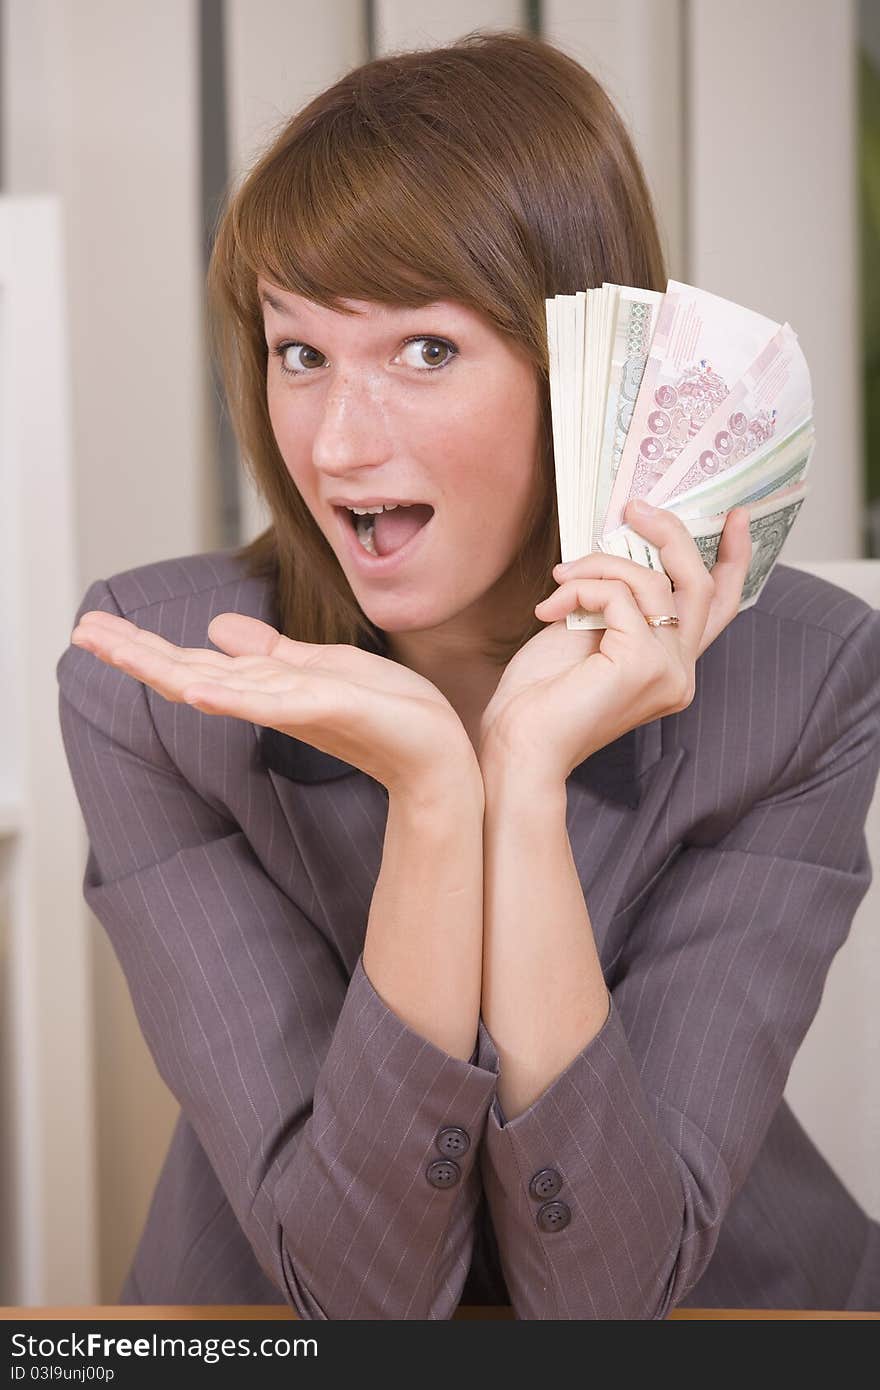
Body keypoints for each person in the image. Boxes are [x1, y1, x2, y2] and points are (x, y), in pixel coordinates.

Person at [56, 30, 880, 1318]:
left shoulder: (807, 679)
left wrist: (526, 784)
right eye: (300, 353)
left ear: (589, 372)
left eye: (426, 350)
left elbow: (604, 1297)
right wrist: (440, 803)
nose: (337, 441)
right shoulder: (159, 680)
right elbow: (363, 1299)